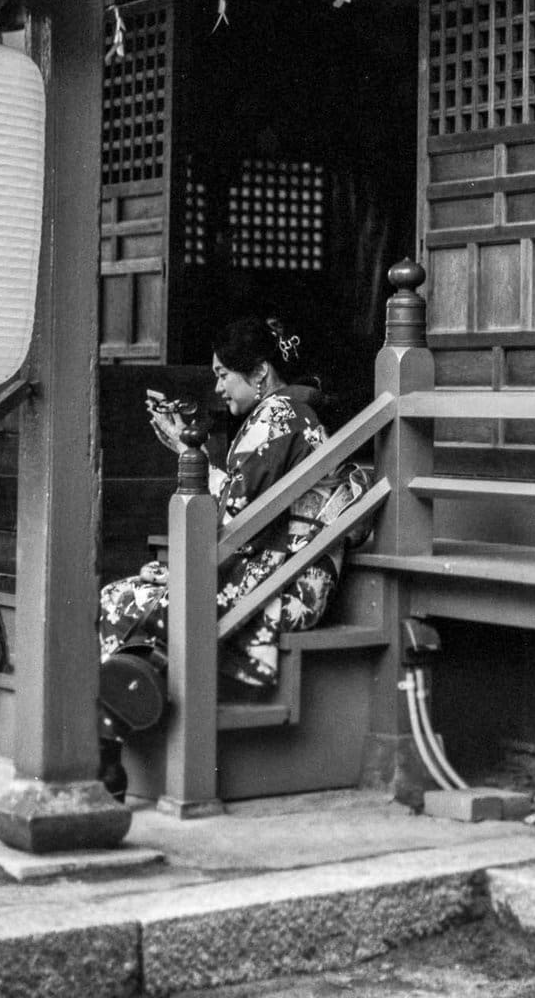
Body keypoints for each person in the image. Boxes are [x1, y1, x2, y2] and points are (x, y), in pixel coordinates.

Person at [97, 317, 371, 785]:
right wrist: (185, 452)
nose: (218, 386)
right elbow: (242, 511)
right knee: (133, 596)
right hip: (276, 563)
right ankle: (113, 738)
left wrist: (181, 571)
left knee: (124, 599)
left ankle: (110, 745)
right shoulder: (288, 414)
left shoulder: (279, 417)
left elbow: (233, 520)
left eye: (224, 374)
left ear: (260, 373)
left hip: (284, 577)